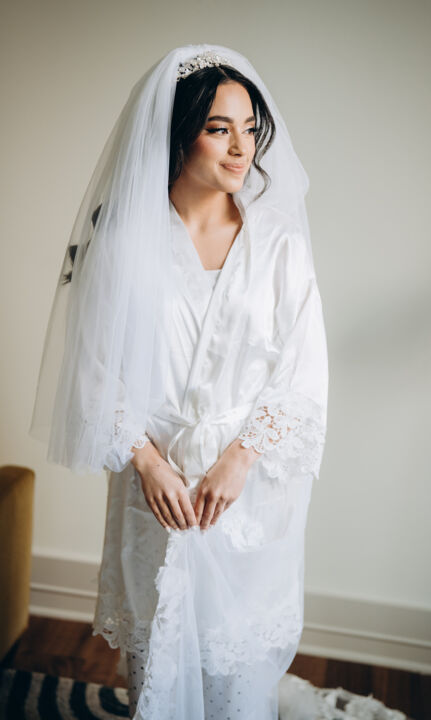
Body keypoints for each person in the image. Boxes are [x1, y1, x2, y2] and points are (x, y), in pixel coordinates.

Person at [29, 44, 329, 719]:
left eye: (250, 128)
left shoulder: (279, 245)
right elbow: (94, 367)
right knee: (158, 668)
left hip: (247, 490)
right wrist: (146, 462)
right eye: (219, 129)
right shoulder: (124, 243)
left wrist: (241, 457)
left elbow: (304, 369)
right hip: (156, 487)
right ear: (178, 133)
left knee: (237, 677)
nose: (241, 148)